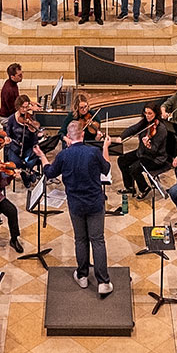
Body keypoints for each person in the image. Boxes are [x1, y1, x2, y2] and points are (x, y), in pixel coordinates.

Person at [44, 122, 115, 295]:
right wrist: (105, 146)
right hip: (95, 202)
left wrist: (41, 156)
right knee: (97, 240)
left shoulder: (64, 155)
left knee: (80, 240)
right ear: (82, 135)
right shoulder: (93, 152)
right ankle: (103, 282)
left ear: (69, 137)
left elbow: (50, 172)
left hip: (76, 204)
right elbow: (106, 168)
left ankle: (82, 276)